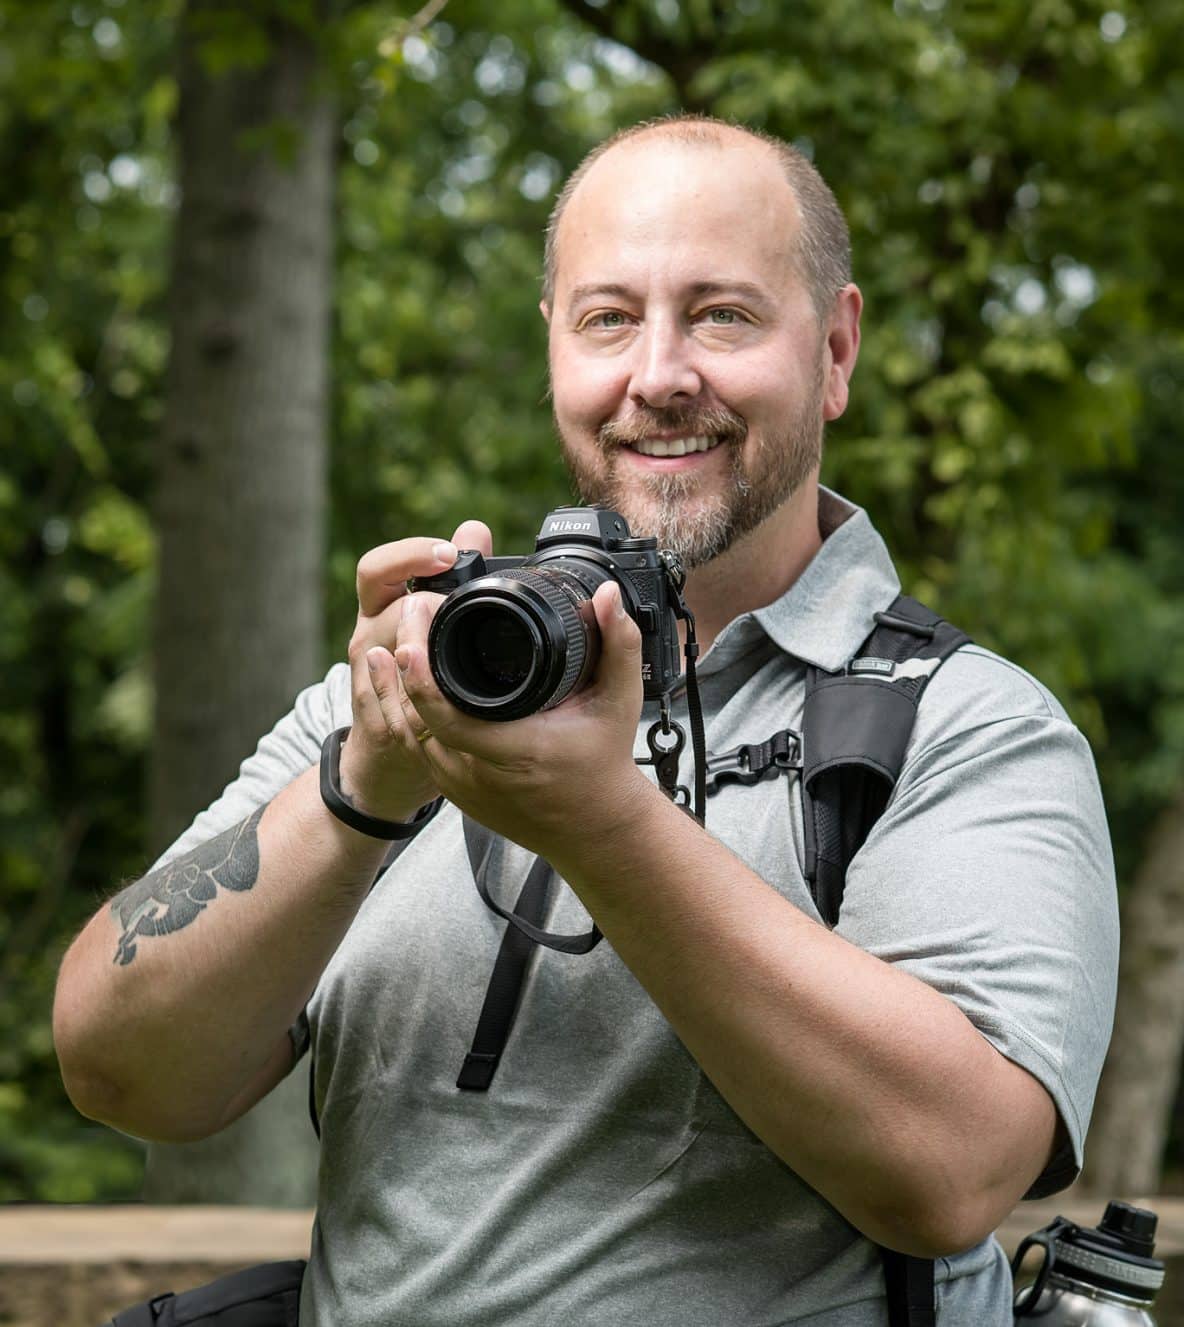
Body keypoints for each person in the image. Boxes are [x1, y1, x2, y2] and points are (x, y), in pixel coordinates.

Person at [54, 116, 1118, 1325]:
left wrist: (601, 822)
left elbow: (950, 1172)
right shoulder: (418, 691)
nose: (657, 375)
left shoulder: (966, 727)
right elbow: (117, 1066)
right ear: (553, 348)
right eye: (608, 318)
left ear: (833, 349)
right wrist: (368, 784)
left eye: (720, 315)